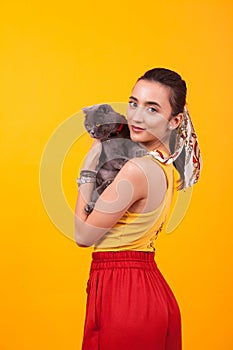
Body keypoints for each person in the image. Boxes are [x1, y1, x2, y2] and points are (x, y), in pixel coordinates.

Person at [74, 68, 202, 350]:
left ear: (175, 120)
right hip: (145, 291)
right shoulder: (164, 166)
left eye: (152, 109)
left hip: (126, 298)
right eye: (133, 103)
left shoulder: (135, 170)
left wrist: (89, 165)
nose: (136, 116)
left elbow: (83, 235)